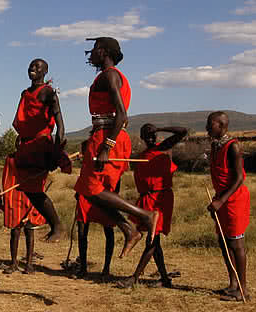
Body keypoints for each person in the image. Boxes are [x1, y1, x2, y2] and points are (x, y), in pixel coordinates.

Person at [73, 37, 159, 259]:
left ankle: (145, 216)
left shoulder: (110, 75)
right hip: (104, 135)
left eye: (93, 50)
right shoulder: (108, 76)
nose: (90, 54)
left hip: (109, 137)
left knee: (91, 189)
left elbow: (121, 114)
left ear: (103, 52)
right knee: (87, 190)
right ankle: (129, 229)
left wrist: (106, 147)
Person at [117, 124, 187, 289]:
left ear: (156, 135)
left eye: (152, 134)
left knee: (152, 239)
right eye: (146, 135)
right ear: (141, 137)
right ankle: (164, 279)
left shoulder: (164, 148)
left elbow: (183, 131)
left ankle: (134, 278)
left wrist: (160, 129)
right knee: (155, 241)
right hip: (147, 198)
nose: (150, 137)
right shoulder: (141, 156)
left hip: (161, 199)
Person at [12, 58, 70, 243]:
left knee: (34, 189)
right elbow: (24, 120)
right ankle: (53, 224)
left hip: (40, 145)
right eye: (31, 65)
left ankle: (57, 225)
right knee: (28, 188)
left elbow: (60, 126)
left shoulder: (48, 93)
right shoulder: (25, 93)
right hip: (26, 146)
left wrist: (56, 151)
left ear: (45, 72)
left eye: (38, 67)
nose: (33, 68)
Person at [206, 111, 251, 301]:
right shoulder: (216, 145)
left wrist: (221, 200)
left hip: (233, 200)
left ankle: (243, 290)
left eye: (211, 124)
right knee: (224, 243)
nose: (207, 128)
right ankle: (233, 284)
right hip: (222, 199)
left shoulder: (233, 147)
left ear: (222, 125)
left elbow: (239, 178)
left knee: (235, 243)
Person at [1, 155, 46, 275]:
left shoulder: (34, 158)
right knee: (15, 231)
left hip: (30, 196)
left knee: (29, 230)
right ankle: (14, 263)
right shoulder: (10, 159)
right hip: (13, 196)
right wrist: (6, 197)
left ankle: (29, 264)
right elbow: (6, 178)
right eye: (18, 142)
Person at [73, 190, 116, 280]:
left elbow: (116, 180)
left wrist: (114, 197)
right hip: (86, 195)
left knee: (108, 229)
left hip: (106, 195)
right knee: (82, 232)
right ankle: (83, 268)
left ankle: (106, 269)